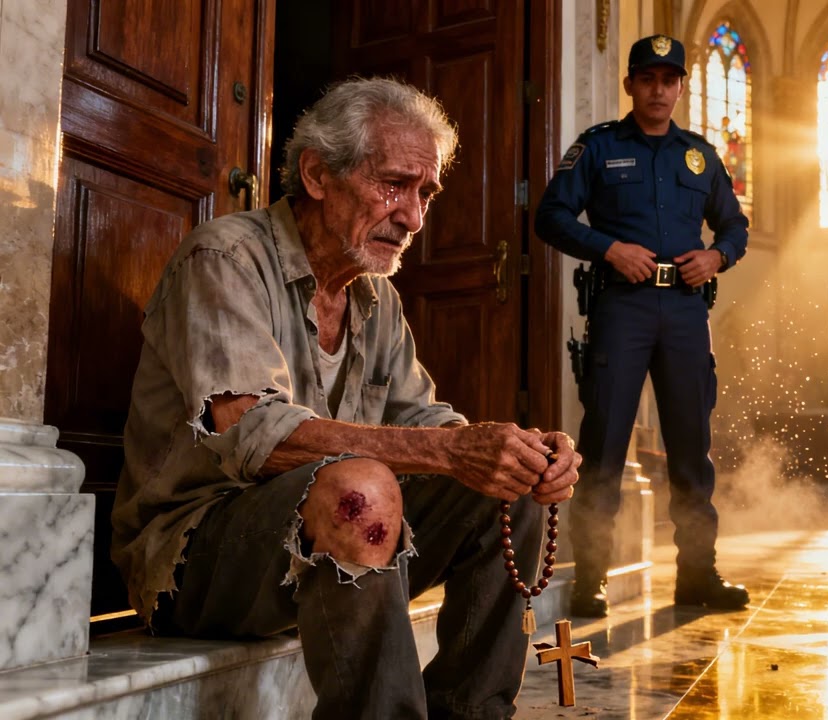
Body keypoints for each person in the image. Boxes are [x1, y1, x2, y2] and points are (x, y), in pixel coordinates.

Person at [112, 77, 582, 720]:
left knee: (510, 486)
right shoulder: (224, 258)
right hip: (195, 560)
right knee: (360, 488)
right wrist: (450, 450)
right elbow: (254, 434)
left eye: (425, 193)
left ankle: (472, 713)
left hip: (326, 537)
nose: (414, 217)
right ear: (316, 175)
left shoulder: (374, 294)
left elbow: (420, 418)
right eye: (394, 185)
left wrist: (512, 451)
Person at [534, 35, 750, 617]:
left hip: (685, 311)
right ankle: (591, 578)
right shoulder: (599, 146)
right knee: (604, 444)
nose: (659, 90)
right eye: (648, 79)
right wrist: (608, 249)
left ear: (681, 87)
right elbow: (550, 216)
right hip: (621, 308)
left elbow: (735, 226)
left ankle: (698, 575)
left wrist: (718, 256)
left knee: (691, 448)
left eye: (669, 80)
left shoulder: (700, 156)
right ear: (629, 84)